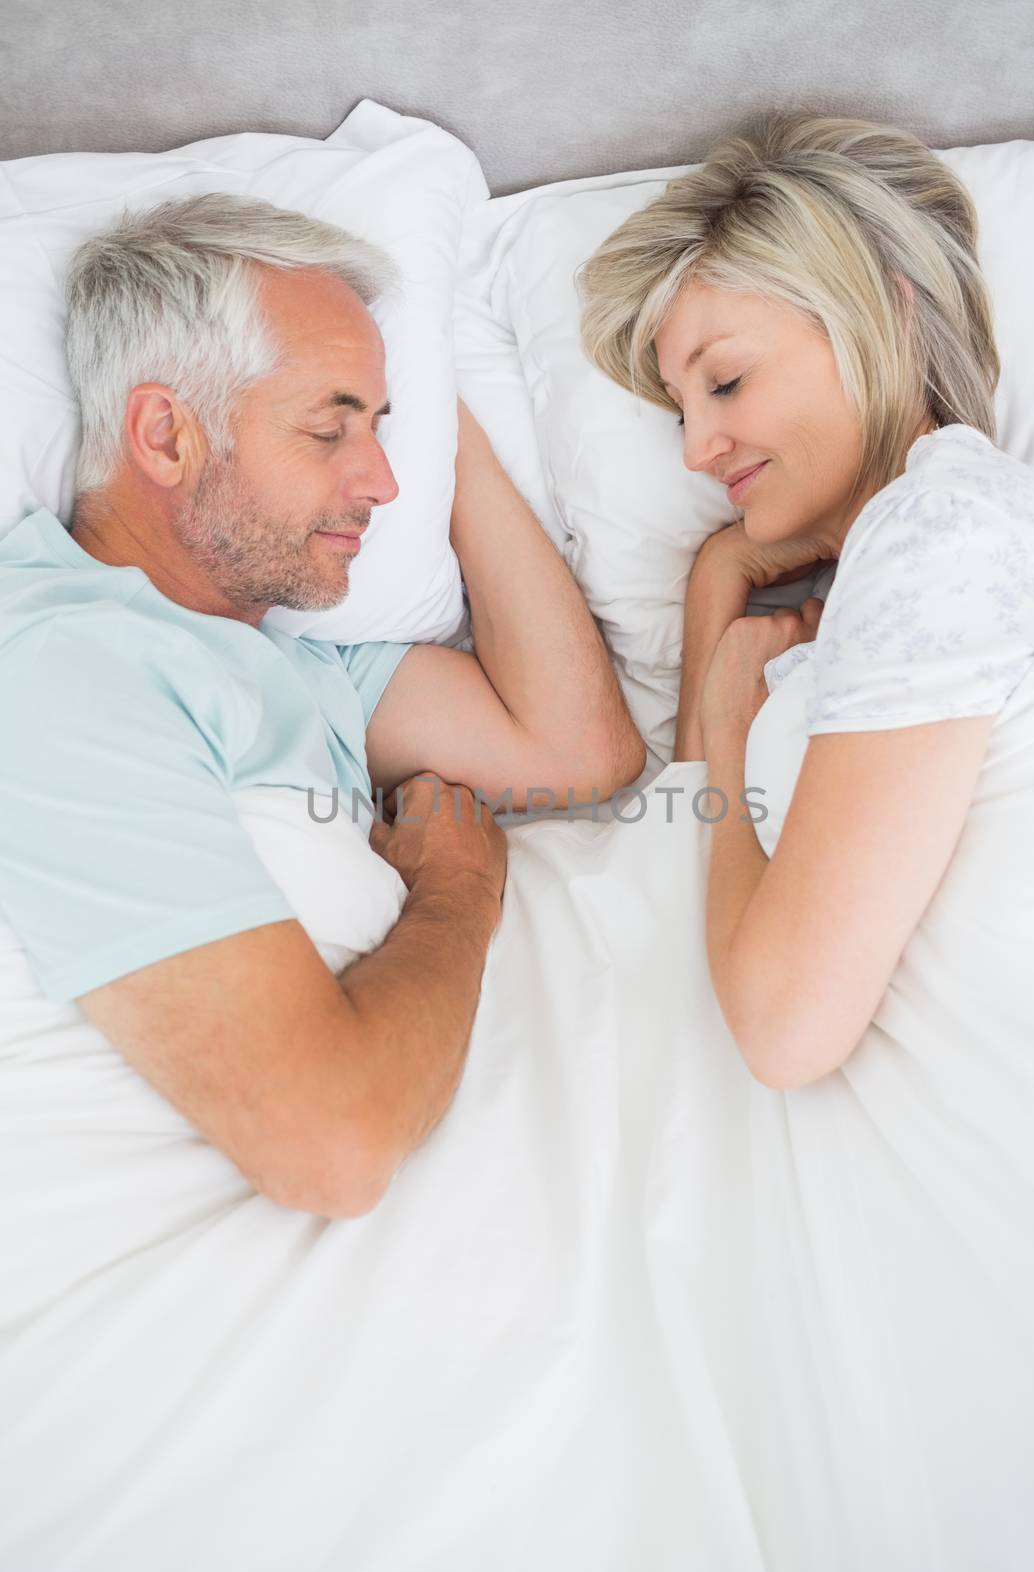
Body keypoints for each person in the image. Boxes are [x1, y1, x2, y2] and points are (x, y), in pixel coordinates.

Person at [0, 192, 645, 1219]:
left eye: (385, 430)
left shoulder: (291, 668)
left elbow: (578, 749)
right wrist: (455, 893)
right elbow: (329, 1151)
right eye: (327, 427)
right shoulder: (58, 664)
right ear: (165, 435)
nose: (384, 481)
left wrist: (443, 427)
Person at [577, 110, 1034, 1086]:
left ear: (878, 317)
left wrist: (723, 726)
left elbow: (779, 1028)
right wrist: (717, 579)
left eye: (723, 381)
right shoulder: (897, 566)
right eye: (680, 411)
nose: (692, 449)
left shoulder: (943, 536)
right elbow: (684, 854)